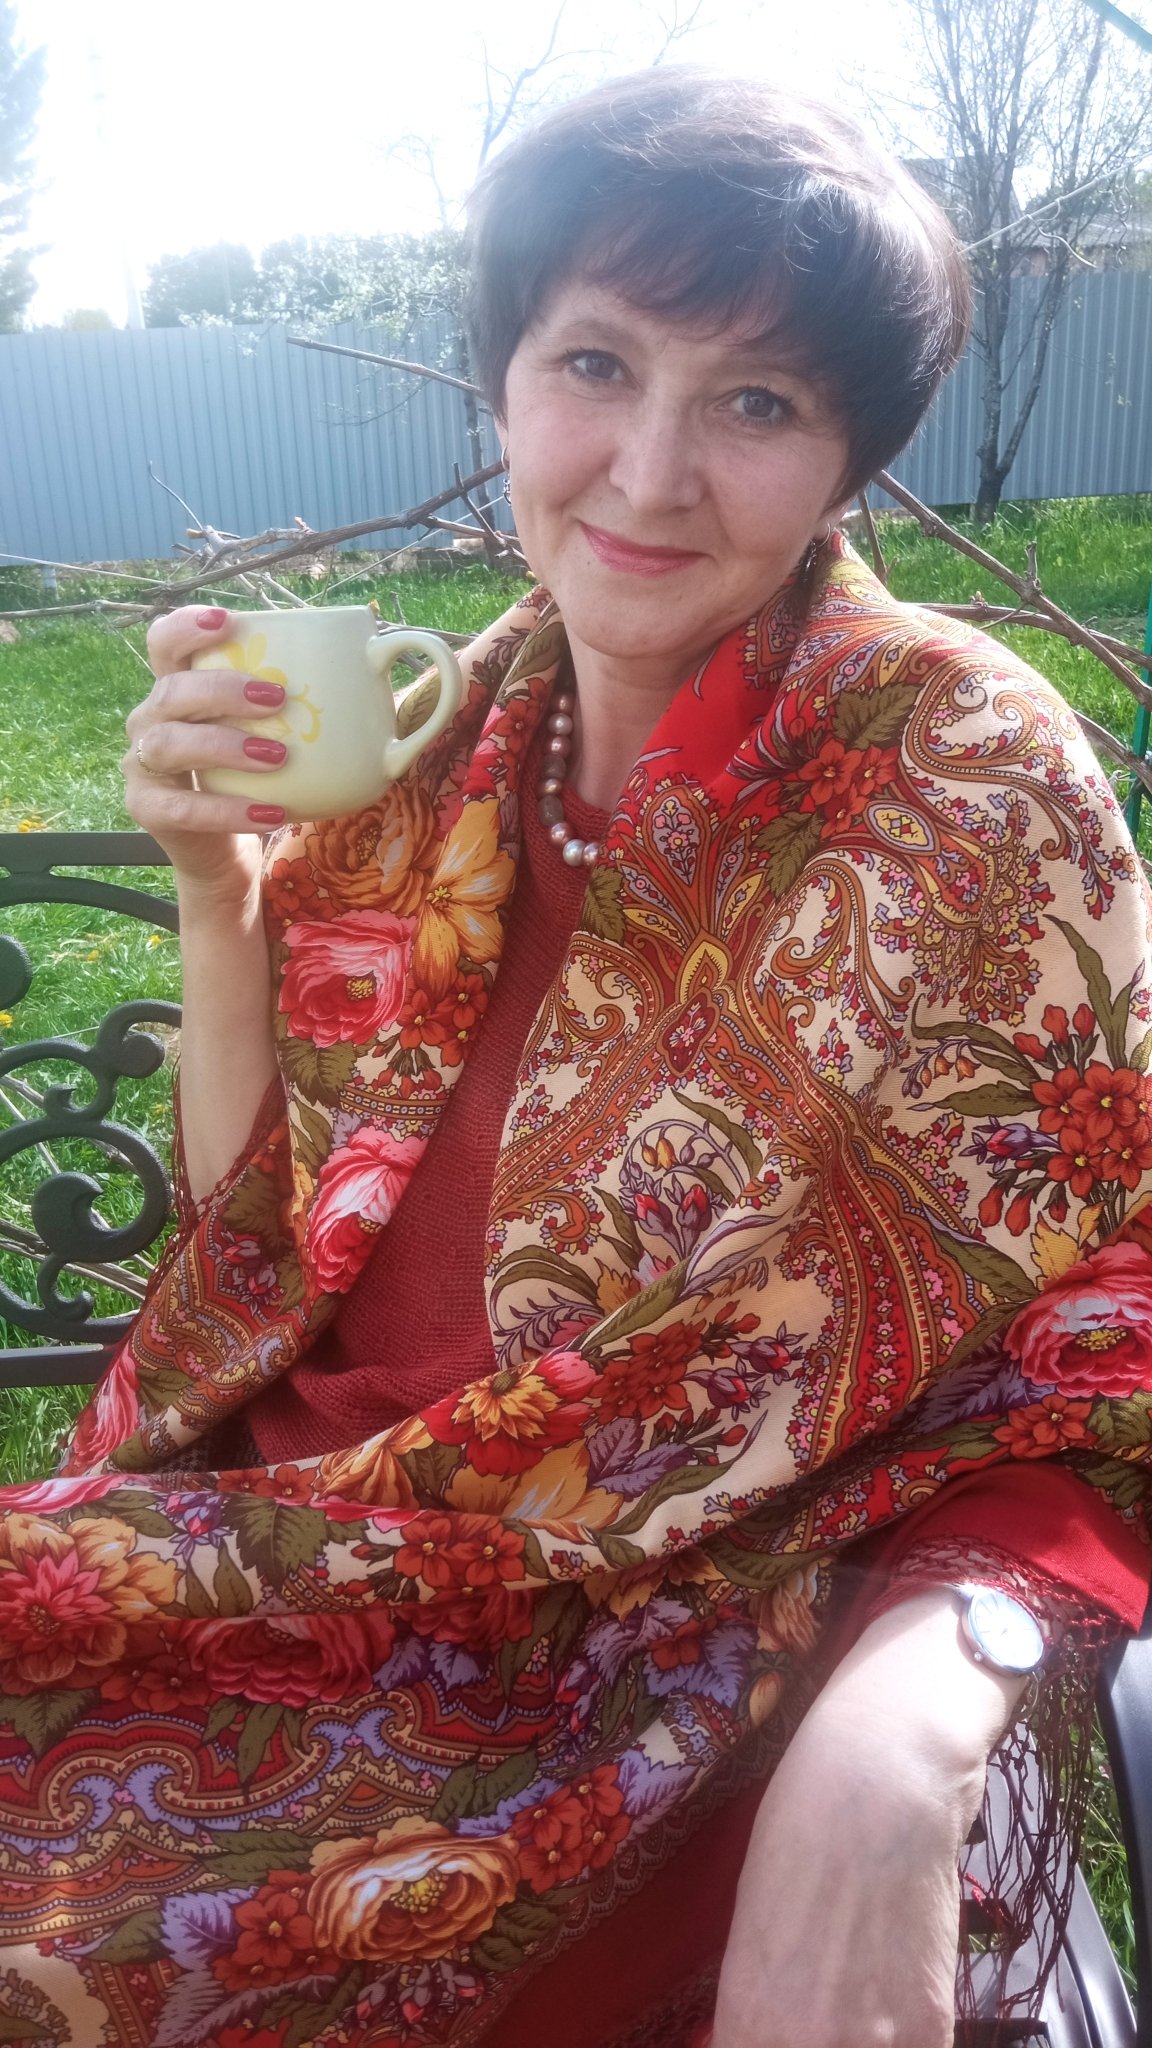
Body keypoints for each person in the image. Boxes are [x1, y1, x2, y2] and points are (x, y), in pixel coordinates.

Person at [0, 67, 1150, 2048]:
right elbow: (264, 1244)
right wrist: (214, 892)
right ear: (503, 385)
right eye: (596, 363)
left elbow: (1104, 1324)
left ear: (849, 460)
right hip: (288, 1560)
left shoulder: (962, 779)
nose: (650, 470)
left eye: (758, 403)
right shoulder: (430, 749)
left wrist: (910, 1728)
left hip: (665, 1658)